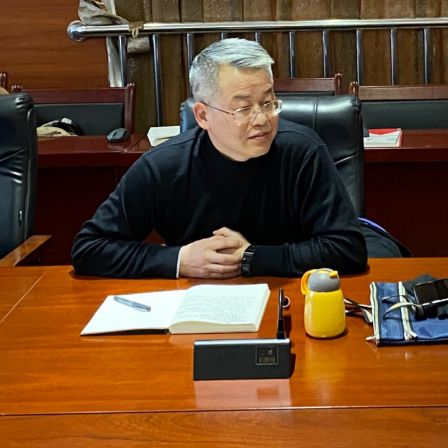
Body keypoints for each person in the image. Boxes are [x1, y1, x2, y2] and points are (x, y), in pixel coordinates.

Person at [71, 38, 367, 279]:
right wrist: (180, 259)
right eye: (243, 109)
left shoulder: (302, 152)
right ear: (202, 115)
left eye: (268, 103)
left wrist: (252, 257)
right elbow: (89, 248)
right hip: (193, 306)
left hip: (288, 301)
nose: (262, 119)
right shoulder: (164, 166)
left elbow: (347, 248)